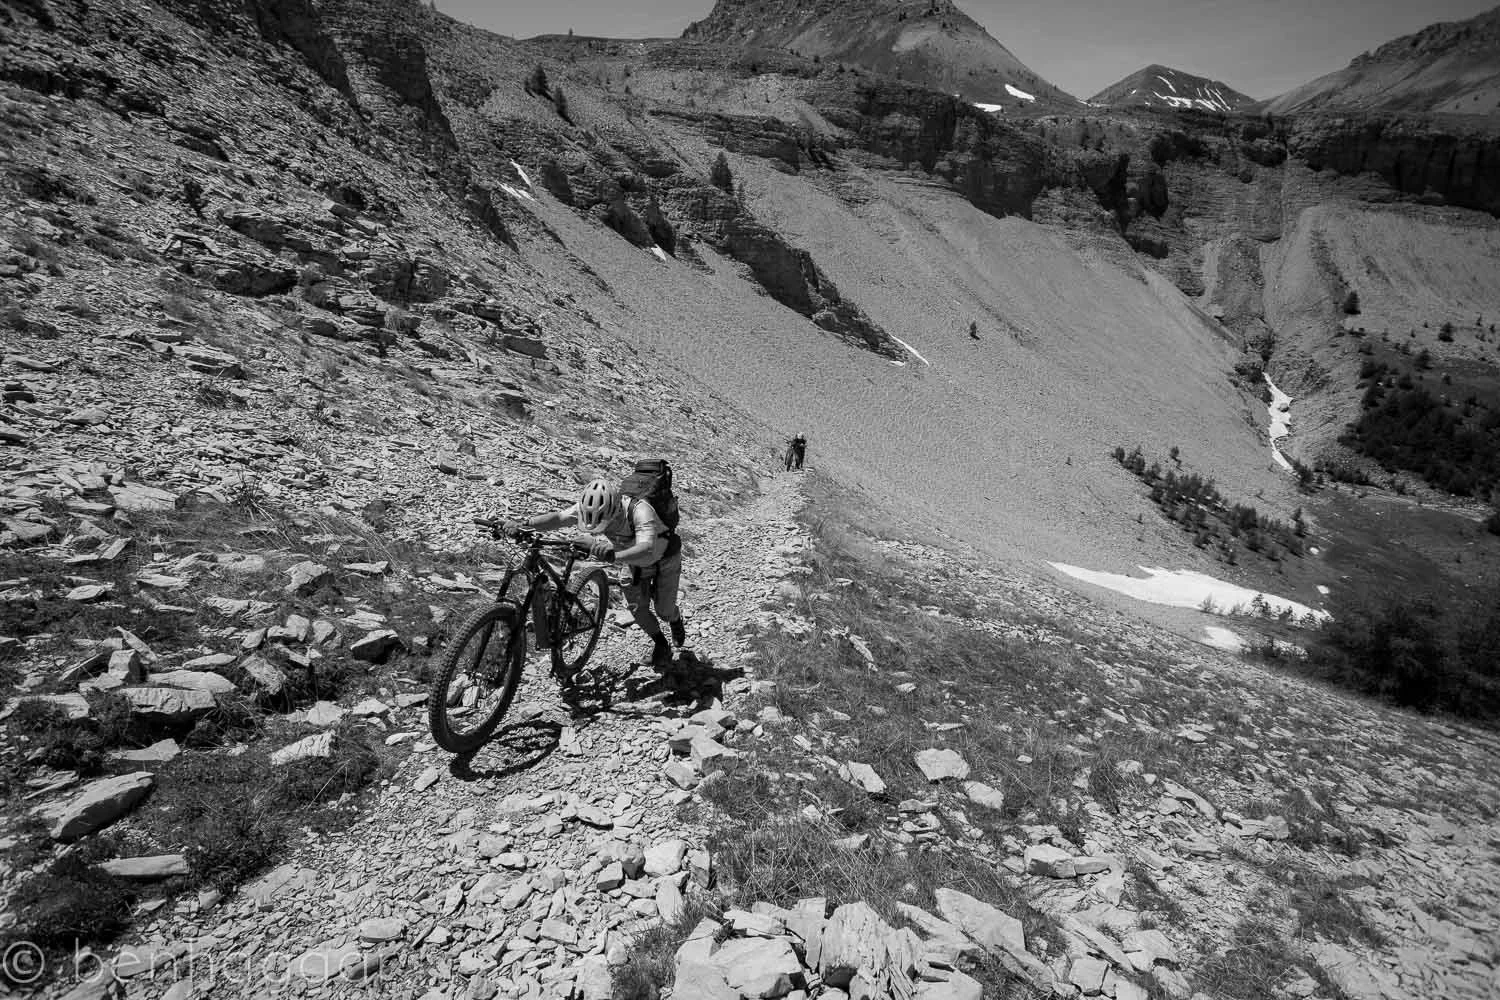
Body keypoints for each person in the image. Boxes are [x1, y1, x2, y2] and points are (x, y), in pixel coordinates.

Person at [504, 479, 685, 668]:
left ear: (615, 510)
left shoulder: (641, 511)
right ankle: (661, 645)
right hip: (631, 561)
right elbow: (558, 518)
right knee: (637, 609)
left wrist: (612, 554)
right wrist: (524, 524)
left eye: (604, 523)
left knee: (664, 610)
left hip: (664, 558)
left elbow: (647, 548)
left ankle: (675, 619)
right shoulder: (590, 508)